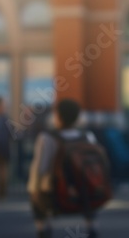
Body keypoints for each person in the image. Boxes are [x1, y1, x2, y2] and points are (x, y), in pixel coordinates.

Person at [27, 99, 98, 238]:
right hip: (83, 192)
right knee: (86, 189)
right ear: (77, 117)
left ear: (57, 116)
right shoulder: (88, 137)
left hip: (54, 194)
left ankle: (43, 228)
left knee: (35, 192)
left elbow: (40, 168)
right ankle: (91, 225)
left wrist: (33, 190)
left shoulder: (47, 138)